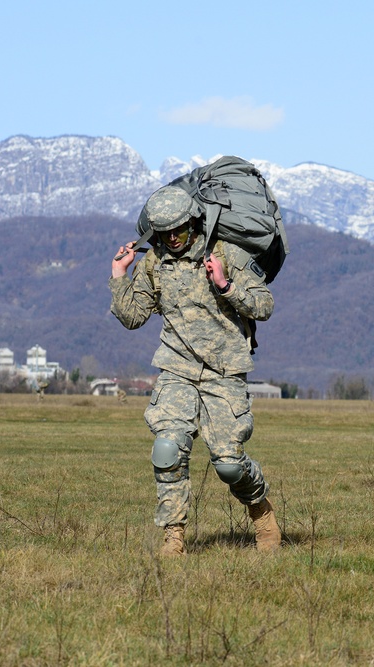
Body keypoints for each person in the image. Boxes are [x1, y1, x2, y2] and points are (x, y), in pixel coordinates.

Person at [109, 185, 281, 556]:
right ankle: (174, 536)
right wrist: (120, 276)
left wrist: (225, 285)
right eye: (163, 233)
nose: (172, 238)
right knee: (168, 448)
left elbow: (263, 305)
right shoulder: (155, 262)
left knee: (229, 466)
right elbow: (134, 317)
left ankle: (261, 511)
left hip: (224, 372)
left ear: (194, 222)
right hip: (177, 368)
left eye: (178, 230)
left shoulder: (225, 253)